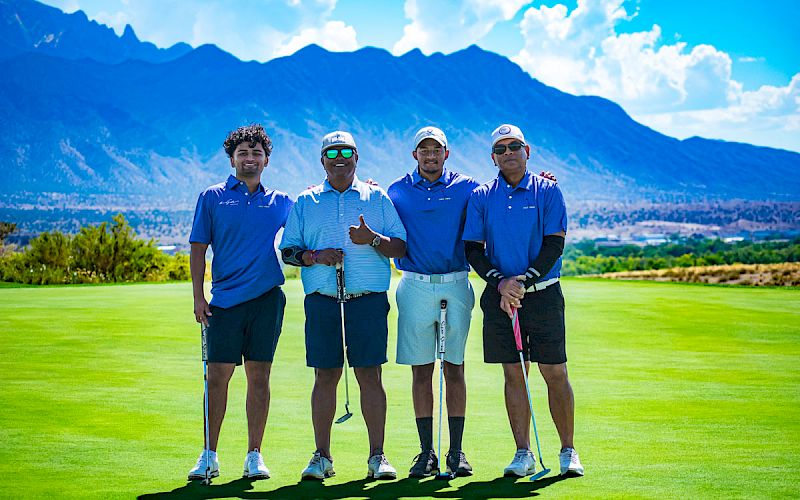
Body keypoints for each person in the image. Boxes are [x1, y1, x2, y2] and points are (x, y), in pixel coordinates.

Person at [279, 131, 407, 480]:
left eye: (346, 152)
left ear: (356, 157)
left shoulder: (376, 197)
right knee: (325, 376)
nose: (339, 157)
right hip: (323, 301)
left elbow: (400, 247)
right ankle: (322, 456)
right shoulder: (306, 201)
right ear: (322, 160)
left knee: (370, 375)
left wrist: (372, 239)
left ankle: (377, 457)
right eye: (331, 152)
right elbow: (288, 250)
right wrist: (315, 256)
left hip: (366, 301)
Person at [463, 124, 584, 478]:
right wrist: (502, 284)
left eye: (514, 146)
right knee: (514, 374)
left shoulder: (548, 190)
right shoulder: (483, 196)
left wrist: (523, 281)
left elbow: (554, 243)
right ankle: (523, 452)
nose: (508, 153)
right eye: (500, 149)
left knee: (554, 372)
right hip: (501, 297)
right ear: (493, 158)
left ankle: (568, 450)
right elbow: (474, 249)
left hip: (543, 294)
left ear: (526, 151)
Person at [187, 124, 293, 480]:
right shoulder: (212, 197)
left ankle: (254, 455)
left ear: (267, 159)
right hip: (224, 302)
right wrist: (198, 296)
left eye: (256, 153)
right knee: (217, 377)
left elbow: (308, 222)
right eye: (243, 153)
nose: (250, 158)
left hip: (266, 301)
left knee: (259, 377)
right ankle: (209, 454)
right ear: (232, 158)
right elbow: (198, 248)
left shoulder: (281, 202)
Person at [387, 126, 479, 477]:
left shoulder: (468, 188)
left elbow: (499, 195)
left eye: (436, 149)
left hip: (456, 282)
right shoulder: (397, 190)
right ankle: (426, 452)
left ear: (446, 153)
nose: (430, 155)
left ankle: (456, 452)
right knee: (421, 371)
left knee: (454, 368)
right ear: (415, 155)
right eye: (423, 150)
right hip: (415, 285)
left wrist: (543, 179)